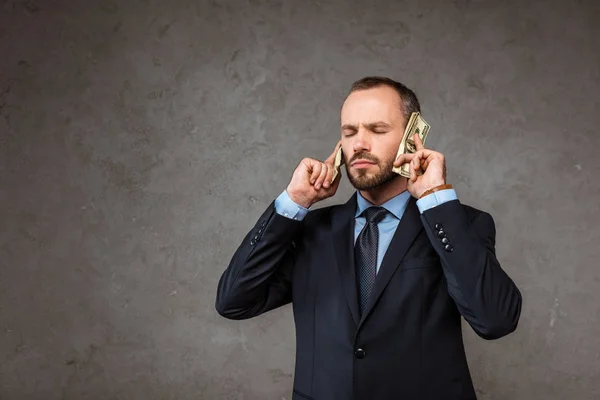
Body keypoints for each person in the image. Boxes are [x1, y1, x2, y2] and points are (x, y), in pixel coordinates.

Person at [215, 76, 522, 400]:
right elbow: (233, 302)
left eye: (377, 130)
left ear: (412, 137)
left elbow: (496, 320)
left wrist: (436, 200)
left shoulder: (460, 224)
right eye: (349, 132)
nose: (359, 143)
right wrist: (294, 201)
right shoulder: (310, 231)